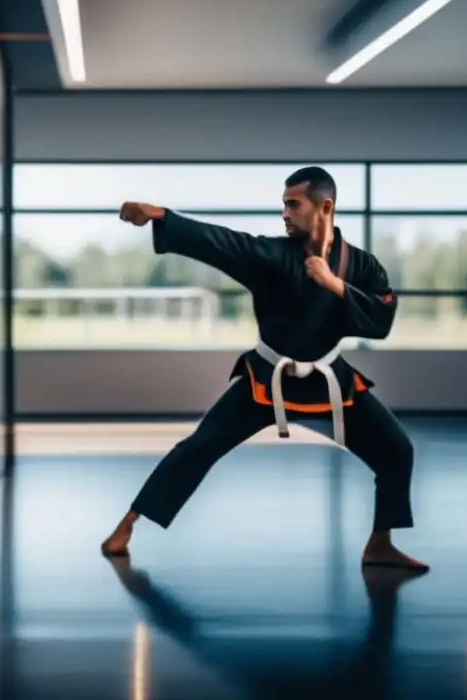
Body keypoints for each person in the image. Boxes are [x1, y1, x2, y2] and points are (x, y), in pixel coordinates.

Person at [100, 166, 428, 571]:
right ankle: (127, 524)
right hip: (266, 380)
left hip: (329, 381)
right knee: (199, 447)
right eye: (283, 205)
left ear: (325, 207)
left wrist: (334, 284)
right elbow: (220, 242)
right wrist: (161, 217)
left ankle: (380, 542)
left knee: (396, 449)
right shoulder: (270, 256)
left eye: (293, 204)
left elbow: (382, 319)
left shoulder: (361, 266)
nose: (285, 213)